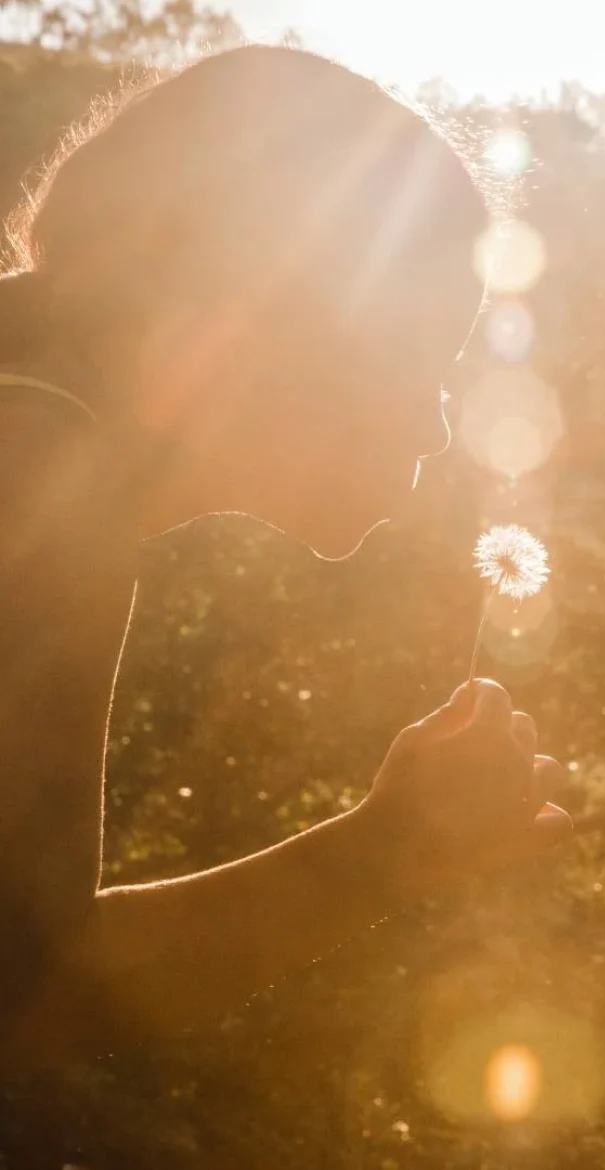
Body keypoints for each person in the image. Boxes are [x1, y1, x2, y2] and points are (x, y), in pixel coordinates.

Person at [0, 45, 571, 1069]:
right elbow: (22, 996)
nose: (439, 432)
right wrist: (384, 857)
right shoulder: (39, 478)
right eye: (424, 361)